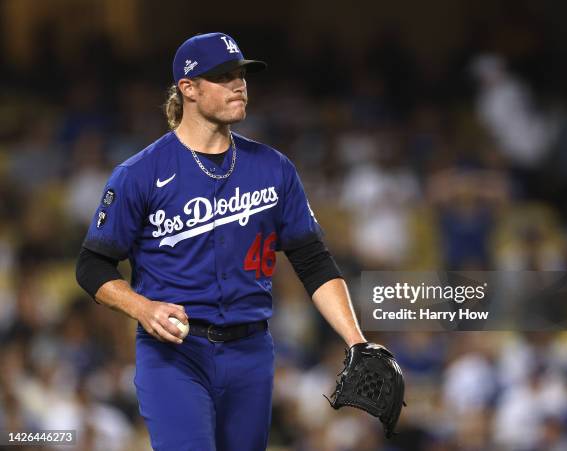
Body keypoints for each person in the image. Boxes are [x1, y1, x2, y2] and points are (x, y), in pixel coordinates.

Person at [75, 32, 368, 451]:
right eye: (223, 76)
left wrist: (355, 340)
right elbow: (91, 265)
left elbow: (314, 262)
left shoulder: (274, 169)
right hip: (175, 353)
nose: (239, 85)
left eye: (241, 75)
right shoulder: (140, 173)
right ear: (188, 88)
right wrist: (142, 307)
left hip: (251, 352)